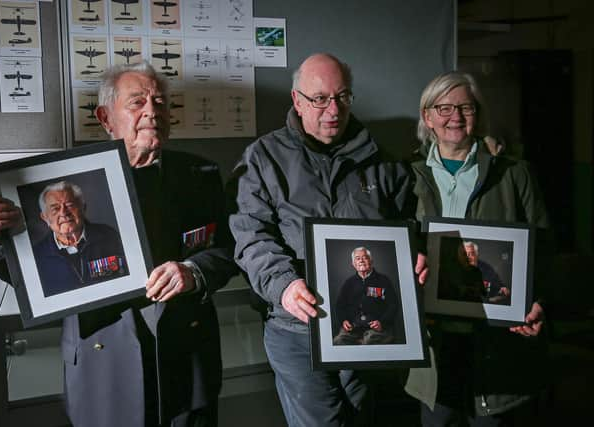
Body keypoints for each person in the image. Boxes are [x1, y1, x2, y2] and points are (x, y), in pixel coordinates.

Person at [0, 61, 238, 427]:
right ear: (105, 116)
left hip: (186, 357)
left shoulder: (201, 174)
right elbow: (31, 279)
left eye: (160, 103)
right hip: (103, 360)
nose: (152, 112)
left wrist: (193, 272)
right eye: (137, 103)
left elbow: (228, 250)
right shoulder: (59, 184)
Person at [229, 53, 427, 427]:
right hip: (297, 327)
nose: (332, 109)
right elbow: (250, 235)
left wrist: (414, 252)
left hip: (364, 327)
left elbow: (405, 222)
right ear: (297, 101)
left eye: (342, 97)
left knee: (360, 418)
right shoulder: (263, 159)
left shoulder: (381, 161)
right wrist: (284, 286)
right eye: (320, 99)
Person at [405, 71, 552, 426]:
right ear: (427, 117)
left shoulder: (514, 174)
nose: (455, 116)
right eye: (444, 107)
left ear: (477, 114)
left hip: (495, 341)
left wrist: (537, 301)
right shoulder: (406, 176)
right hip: (434, 342)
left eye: (465, 107)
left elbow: (543, 250)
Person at [32, 180, 127, 296]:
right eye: (55, 209)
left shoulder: (109, 235)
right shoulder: (37, 255)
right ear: (45, 217)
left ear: (83, 208)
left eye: (70, 205)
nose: (64, 213)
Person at [333, 247, 398, 346]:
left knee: (368, 342)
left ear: (371, 261)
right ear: (353, 264)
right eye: (358, 258)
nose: (361, 261)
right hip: (353, 329)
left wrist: (382, 322)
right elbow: (339, 306)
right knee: (338, 341)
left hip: (377, 329)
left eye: (365, 258)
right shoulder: (349, 283)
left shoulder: (383, 280)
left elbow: (393, 305)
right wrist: (344, 320)